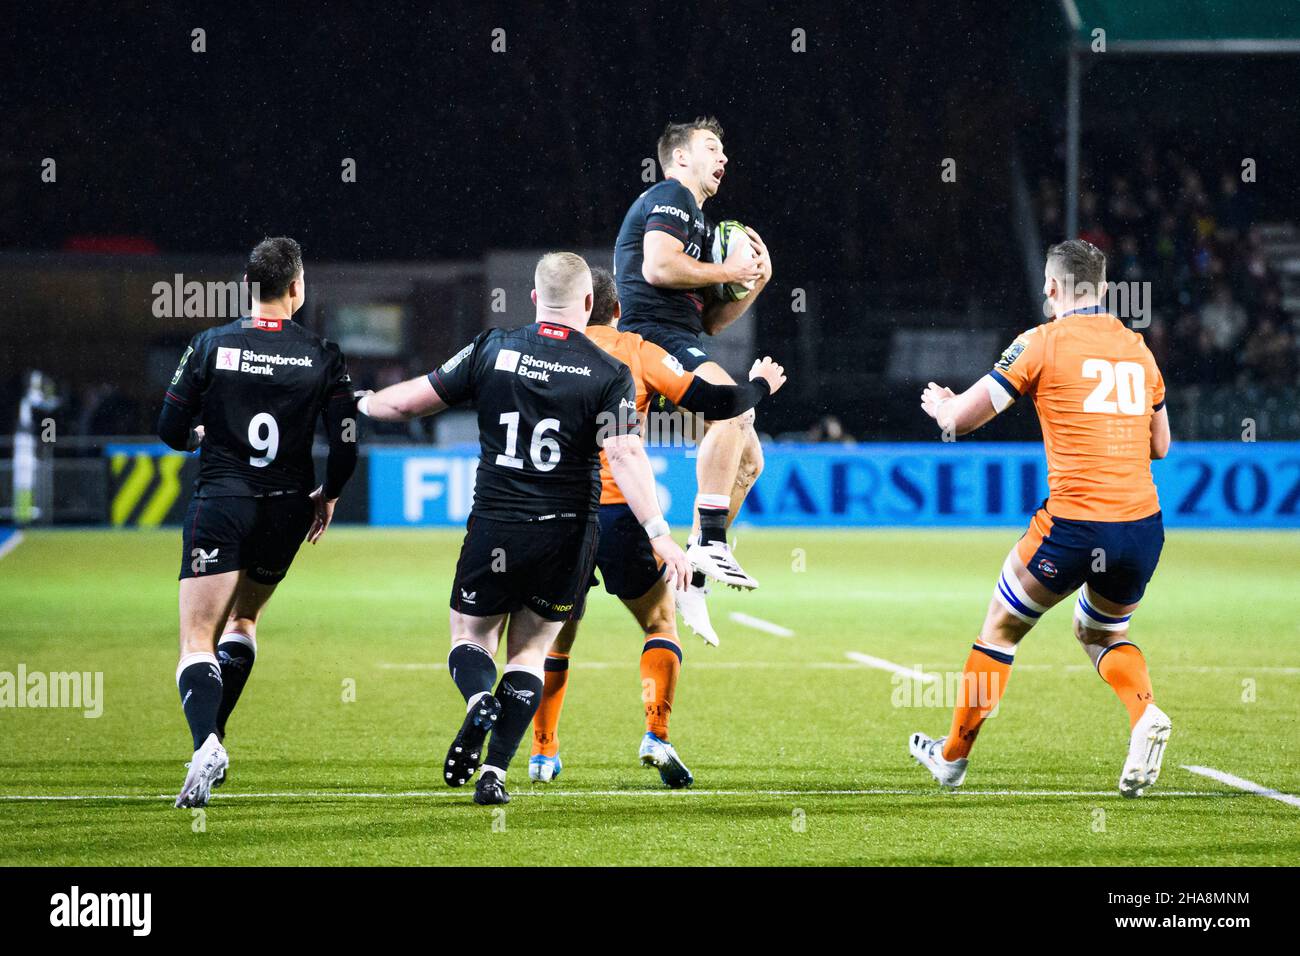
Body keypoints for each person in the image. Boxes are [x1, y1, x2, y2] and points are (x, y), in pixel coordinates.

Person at [357, 253, 690, 805]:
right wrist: (658, 533)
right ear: (590, 304)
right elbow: (627, 453)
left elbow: (414, 398)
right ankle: (496, 774)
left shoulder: (494, 347)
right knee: (529, 656)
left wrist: (364, 401)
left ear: (535, 299)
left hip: (496, 524)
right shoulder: (610, 374)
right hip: (566, 535)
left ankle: (474, 702)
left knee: (471, 637)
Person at [909, 239, 1173, 798]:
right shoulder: (1140, 351)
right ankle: (1143, 712)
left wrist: (943, 408)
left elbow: (961, 420)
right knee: (1100, 631)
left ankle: (952, 756)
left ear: (1051, 288)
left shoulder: (1040, 342)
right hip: (1143, 527)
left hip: (1073, 525)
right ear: (1102, 289)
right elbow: (1161, 446)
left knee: (1001, 630)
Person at [528, 267, 787, 786]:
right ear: (616, 310)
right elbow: (713, 403)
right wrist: (758, 385)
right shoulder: (635, 349)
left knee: (554, 639)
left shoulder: (534, 353)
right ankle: (656, 735)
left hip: (553, 515)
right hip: (622, 511)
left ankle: (542, 752)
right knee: (660, 625)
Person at [159, 237, 358, 808]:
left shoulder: (210, 345)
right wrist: (329, 495)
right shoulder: (323, 353)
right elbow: (346, 442)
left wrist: (198, 435)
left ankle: (206, 743)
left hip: (220, 502)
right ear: (296, 289)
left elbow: (170, 428)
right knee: (243, 620)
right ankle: (213, 741)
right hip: (285, 507)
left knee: (197, 638)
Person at [613, 116, 772, 642]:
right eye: (711, 147)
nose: (723, 157)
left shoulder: (698, 224)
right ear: (681, 157)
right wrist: (728, 270)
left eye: (724, 149)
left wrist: (753, 282)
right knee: (735, 408)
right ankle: (707, 541)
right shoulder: (670, 194)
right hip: (649, 341)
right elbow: (658, 268)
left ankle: (694, 580)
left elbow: (708, 322)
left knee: (751, 459)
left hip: (677, 338)